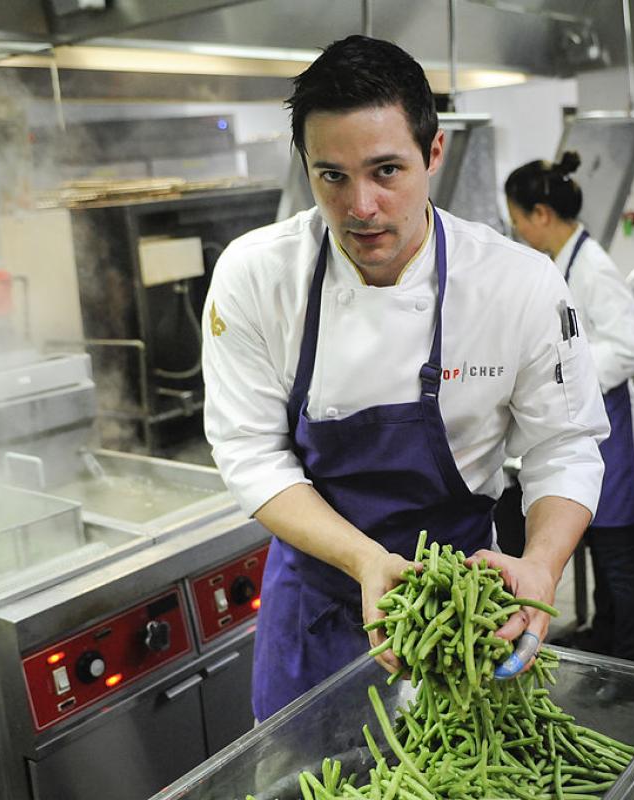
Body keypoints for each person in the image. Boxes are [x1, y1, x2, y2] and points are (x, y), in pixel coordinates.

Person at [201, 36, 610, 722]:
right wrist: (365, 560)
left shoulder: (516, 284)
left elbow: (563, 446)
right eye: (332, 176)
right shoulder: (257, 277)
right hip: (315, 608)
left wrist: (541, 564)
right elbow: (250, 451)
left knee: (458, 769)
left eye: (386, 170)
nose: (360, 206)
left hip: (464, 605)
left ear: (434, 152)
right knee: (314, 776)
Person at [504, 152, 634, 662]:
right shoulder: (562, 262)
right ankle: (604, 639)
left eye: (518, 219)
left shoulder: (592, 266)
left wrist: (568, 372)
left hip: (609, 426)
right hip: (588, 420)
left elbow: (633, 345)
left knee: (617, 554)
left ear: (541, 214)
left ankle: (632, 659)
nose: (518, 231)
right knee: (598, 549)